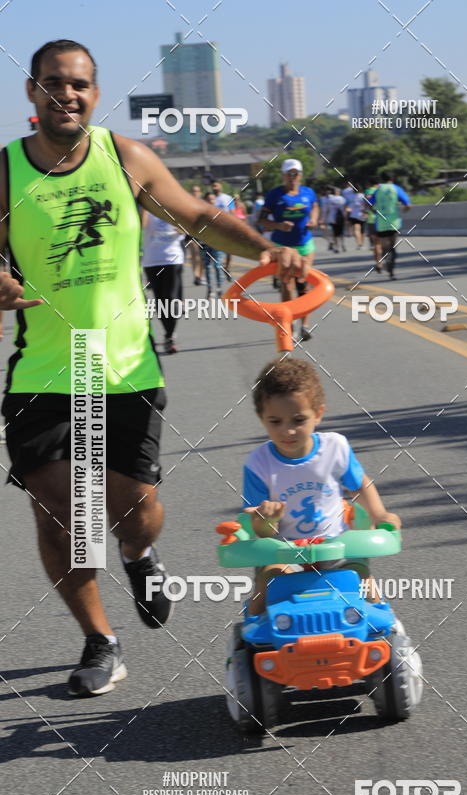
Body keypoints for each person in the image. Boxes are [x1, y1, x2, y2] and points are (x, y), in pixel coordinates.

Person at [0, 39, 303, 697]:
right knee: (60, 512)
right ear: (32, 92)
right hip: (42, 375)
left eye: (78, 84)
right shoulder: (6, 173)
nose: (66, 94)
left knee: (131, 512)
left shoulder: (124, 157)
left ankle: (139, 557)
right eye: (53, 83)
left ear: (94, 93)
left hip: (126, 370)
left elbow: (198, 216)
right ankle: (100, 641)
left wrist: (267, 249)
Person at [241, 358, 401, 614]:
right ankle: (251, 638)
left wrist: (379, 514)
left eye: (298, 420)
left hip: (335, 546)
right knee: (269, 580)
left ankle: (388, 630)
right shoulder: (258, 464)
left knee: (360, 578)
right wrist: (266, 520)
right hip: (285, 552)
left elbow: (359, 485)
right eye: (275, 421)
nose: (288, 431)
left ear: (318, 414)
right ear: (262, 418)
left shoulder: (334, 447)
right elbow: (258, 529)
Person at [259, 159, 319, 342]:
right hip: (282, 247)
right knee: (287, 285)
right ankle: (289, 324)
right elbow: (261, 219)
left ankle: (305, 325)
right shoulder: (274, 195)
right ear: (283, 175)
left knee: (304, 282)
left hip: (304, 244)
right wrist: (278, 225)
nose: (293, 177)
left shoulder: (308, 192)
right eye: (289, 174)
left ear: (300, 175)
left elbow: (315, 206)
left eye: (296, 174)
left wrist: (314, 220)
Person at [142, 209, 184, 354]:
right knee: (160, 301)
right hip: (151, 261)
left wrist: (183, 228)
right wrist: (144, 208)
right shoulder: (145, 209)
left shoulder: (173, 207)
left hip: (173, 258)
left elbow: (188, 227)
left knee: (170, 299)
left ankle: (170, 335)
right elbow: (142, 225)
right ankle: (168, 334)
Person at [370, 170, 411, 280]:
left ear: (382, 179)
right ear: (392, 179)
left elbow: (370, 204)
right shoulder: (396, 188)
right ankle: (391, 270)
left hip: (381, 223)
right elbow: (408, 205)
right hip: (394, 222)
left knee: (384, 246)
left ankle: (385, 258)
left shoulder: (377, 190)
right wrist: (403, 211)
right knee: (392, 247)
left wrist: (375, 212)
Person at [201, 192, 224, 299]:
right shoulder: (202, 213)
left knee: (217, 266)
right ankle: (210, 289)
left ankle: (219, 288)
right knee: (207, 267)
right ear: (205, 200)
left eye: (213, 199)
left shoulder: (219, 213)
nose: (211, 201)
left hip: (216, 243)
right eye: (209, 199)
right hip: (204, 244)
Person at [211, 180, 235, 280]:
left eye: (216, 186)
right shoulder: (210, 199)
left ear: (221, 186)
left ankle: (227, 267)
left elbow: (232, 211)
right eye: (213, 186)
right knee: (217, 251)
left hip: (226, 227)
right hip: (214, 229)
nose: (215, 188)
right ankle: (219, 269)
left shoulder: (227, 198)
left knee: (230, 250)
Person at [185, 184, 204, 285]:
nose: (195, 193)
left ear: (200, 193)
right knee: (194, 255)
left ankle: (200, 276)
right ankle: (196, 276)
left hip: (202, 234)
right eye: (193, 191)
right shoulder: (187, 204)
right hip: (190, 233)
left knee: (202, 258)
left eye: (197, 191)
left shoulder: (203, 205)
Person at [320, 186, 346, 253]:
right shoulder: (342, 199)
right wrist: (346, 218)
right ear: (337, 192)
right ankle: (342, 244)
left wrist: (323, 219)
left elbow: (325, 210)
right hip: (341, 218)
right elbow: (344, 209)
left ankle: (337, 247)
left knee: (335, 233)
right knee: (341, 232)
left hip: (332, 218)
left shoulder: (329, 200)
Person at [363, 176, 380, 271]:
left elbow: (367, 204)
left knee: (376, 243)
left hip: (371, 219)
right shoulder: (381, 190)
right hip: (384, 218)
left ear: (369, 183)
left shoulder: (368, 191)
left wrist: (365, 212)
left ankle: (378, 262)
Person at [345, 183, 367, 250]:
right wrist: (366, 212)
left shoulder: (351, 197)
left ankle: (359, 244)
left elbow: (348, 207)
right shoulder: (363, 196)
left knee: (356, 230)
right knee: (362, 230)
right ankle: (362, 244)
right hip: (362, 214)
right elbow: (366, 205)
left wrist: (346, 216)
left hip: (353, 215)